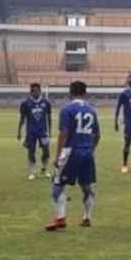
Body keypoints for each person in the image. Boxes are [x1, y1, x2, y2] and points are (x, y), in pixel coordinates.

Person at [46, 81, 101, 231]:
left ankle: (60, 218)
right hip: (87, 152)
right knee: (86, 186)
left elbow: (64, 132)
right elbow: (97, 135)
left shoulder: (67, 109)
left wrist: (58, 155)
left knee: (57, 185)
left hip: (71, 151)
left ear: (70, 92)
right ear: (85, 93)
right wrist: (91, 149)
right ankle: (87, 217)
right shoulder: (91, 110)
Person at [17, 83, 53, 180]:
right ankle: (32, 172)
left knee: (46, 151)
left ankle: (44, 169)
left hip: (42, 131)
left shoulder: (46, 103)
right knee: (31, 152)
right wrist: (19, 131)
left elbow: (49, 117)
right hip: (31, 131)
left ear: (39, 91)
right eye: (32, 91)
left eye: (36, 91)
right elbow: (22, 118)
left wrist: (50, 131)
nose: (34, 93)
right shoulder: (25, 103)